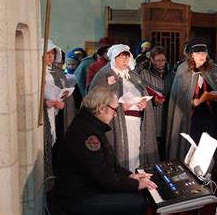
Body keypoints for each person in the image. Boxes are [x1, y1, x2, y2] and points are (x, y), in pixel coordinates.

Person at [51, 86, 157, 215]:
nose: (116, 114)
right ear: (101, 108)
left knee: (136, 196)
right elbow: (103, 177)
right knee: (137, 202)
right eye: (115, 109)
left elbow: (108, 165)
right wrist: (136, 184)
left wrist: (130, 176)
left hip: (88, 188)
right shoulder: (86, 133)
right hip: (77, 196)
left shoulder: (89, 124)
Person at [166, 38, 217, 173]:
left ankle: (208, 178)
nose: (201, 56)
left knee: (208, 151)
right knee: (191, 150)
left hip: (209, 117)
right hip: (189, 119)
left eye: (204, 54)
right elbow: (177, 97)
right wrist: (192, 102)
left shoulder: (213, 70)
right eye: (198, 54)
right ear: (191, 55)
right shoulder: (183, 70)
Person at [90, 44, 159, 172]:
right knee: (121, 152)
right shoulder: (104, 75)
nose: (124, 61)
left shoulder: (134, 76)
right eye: (121, 58)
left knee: (135, 151)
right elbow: (96, 101)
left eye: (127, 58)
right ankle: (122, 179)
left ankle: (136, 176)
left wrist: (144, 105)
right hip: (117, 123)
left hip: (136, 122)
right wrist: (120, 107)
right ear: (113, 59)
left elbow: (143, 94)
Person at [41, 39, 76, 191]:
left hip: (59, 117)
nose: (50, 56)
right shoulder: (35, 71)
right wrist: (44, 104)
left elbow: (66, 94)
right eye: (47, 53)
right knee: (46, 148)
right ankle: (47, 183)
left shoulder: (59, 72)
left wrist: (63, 102)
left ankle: (59, 182)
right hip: (44, 118)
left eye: (52, 53)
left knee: (59, 149)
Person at [139, 46, 174, 160]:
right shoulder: (144, 73)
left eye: (163, 60)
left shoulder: (172, 74)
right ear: (152, 60)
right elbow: (140, 92)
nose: (160, 63)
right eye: (158, 61)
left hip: (167, 113)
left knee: (166, 145)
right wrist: (153, 99)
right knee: (153, 144)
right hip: (152, 113)